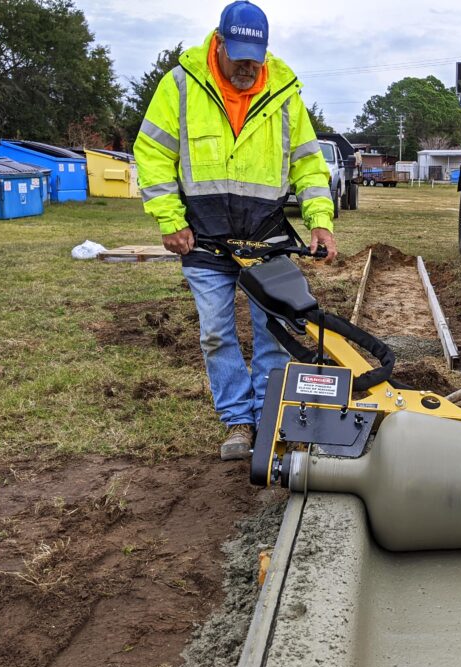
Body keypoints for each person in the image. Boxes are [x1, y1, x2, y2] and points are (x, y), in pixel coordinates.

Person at [134, 1, 337, 460]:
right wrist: (171, 219)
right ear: (219, 43)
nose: (248, 66)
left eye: (255, 57)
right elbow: (151, 153)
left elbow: (308, 163)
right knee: (216, 333)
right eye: (240, 54)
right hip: (204, 238)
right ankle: (238, 421)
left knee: (276, 327)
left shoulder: (284, 92)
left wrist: (319, 220)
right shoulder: (182, 87)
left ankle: (269, 417)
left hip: (266, 234)